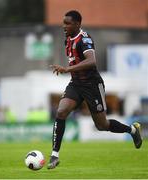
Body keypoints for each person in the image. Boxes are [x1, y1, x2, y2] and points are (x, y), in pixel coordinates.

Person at [47, 10, 142, 169]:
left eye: (68, 23)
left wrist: (67, 69)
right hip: (76, 84)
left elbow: (92, 61)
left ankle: (132, 130)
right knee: (61, 111)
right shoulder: (67, 39)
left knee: (102, 125)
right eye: (63, 23)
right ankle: (54, 155)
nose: (64, 26)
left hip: (92, 85)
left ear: (77, 24)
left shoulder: (84, 39)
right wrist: (70, 71)